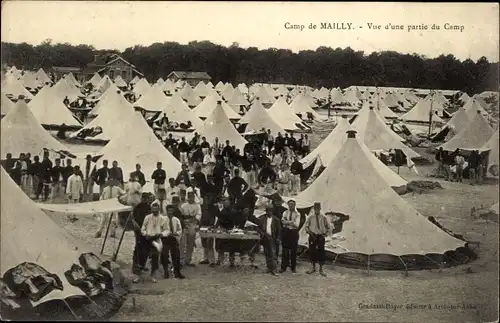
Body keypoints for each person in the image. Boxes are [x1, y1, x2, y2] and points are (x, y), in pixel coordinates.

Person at [249, 206, 281, 276]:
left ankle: (274, 269)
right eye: (268, 211)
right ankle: (269, 268)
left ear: (272, 211)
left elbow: (279, 230)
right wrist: (262, 233)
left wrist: (278, 238)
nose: (269, 212)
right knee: (267, 253)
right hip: (265, 238)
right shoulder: (262, 218)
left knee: (273, 254)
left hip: (273, 238)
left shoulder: (276, 219)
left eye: (270, 211)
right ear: (266, 211)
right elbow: (257, 227)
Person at [140, 202, 165, 283]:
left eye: (156, 211)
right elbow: (143, 228)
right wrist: (145, 234)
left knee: (155, 257)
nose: (154, 212)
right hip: (148, 238)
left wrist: (161, 234)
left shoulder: (162, 218)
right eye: (153, 210)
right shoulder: (147, 217)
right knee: (143, 256)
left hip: (157, 239)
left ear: (159, 210)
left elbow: (166, 229)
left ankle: (153, 275)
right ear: (151, 210)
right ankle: (139, 275)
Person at [304, 202, 331, 277]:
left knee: (321, 252)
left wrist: (325, 234)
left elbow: (328, 227)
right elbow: (306, 226)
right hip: (312, 235)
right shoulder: (310, 217)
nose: (317, 210)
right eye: (315, 209)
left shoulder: (323, 217)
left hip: (320, 236)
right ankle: (313, 267)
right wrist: (309, 232)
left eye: (318, 209)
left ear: (320, 209)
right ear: (313, 209)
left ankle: (321, 269)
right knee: (312, 251)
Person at [161, 205, 185, 279]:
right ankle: (165, 271)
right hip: (165, 239)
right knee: (164, 255)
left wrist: (176, 233)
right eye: (168, 211)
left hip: (173, 238)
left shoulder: (176, 220)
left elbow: (180, 230)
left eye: (171, 211)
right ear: (166, 211)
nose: (170, 212)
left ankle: (177, 272)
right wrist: (166, 233)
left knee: (176, 255)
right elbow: (160, 229)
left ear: (173, 211)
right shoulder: (163, 219)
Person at [132, 193, 151, 281]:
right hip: (138, 230)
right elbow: (133, 219)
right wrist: (137, 227)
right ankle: (135, 267)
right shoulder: (137, 207)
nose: (145, 199)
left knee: (146, 248)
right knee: (138, 248)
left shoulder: (149, 207)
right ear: (142, 198)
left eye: (146, 198)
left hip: (146, 230)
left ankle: (142, 265)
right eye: (144, 198)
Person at [179, 192, 202, 267]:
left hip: (192, 224)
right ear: (187, 197)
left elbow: (199, 215)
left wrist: (193, 218)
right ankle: (181, 260)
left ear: (194, 197)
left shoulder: (197, 206)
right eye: (189, 196)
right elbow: (181, 215)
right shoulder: (183, 205)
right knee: (182, 244)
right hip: (184, 225)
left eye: (192, 196)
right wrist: (185, 220)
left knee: (190, 244)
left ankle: (188, 260)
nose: (190, 198)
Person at [280, 200, 302, 273]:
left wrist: (287, 222)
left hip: (293, 233)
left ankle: (293, 267)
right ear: (288, 205)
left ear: (295, 205)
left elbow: (296, 225)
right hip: (286, 232)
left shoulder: (298, 214)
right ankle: (283, 267)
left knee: (293, 251)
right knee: (285, 250)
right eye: (289, 204)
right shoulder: (285, 212)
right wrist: (292, 221)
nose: (291, 206)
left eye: (292, 204)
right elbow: (282, 222)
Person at [199, 193, 218, 266]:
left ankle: (212, 260)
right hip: (203, 226)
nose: (207, 200)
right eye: (205, 198)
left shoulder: (214, 207)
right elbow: (200, 216)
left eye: (208, 198)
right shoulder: (201, 206)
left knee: (210, 243)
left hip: (210, 226)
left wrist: (214, 226)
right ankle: (205, 258)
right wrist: (199, 225)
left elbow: (218, 217)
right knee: (204, 243)